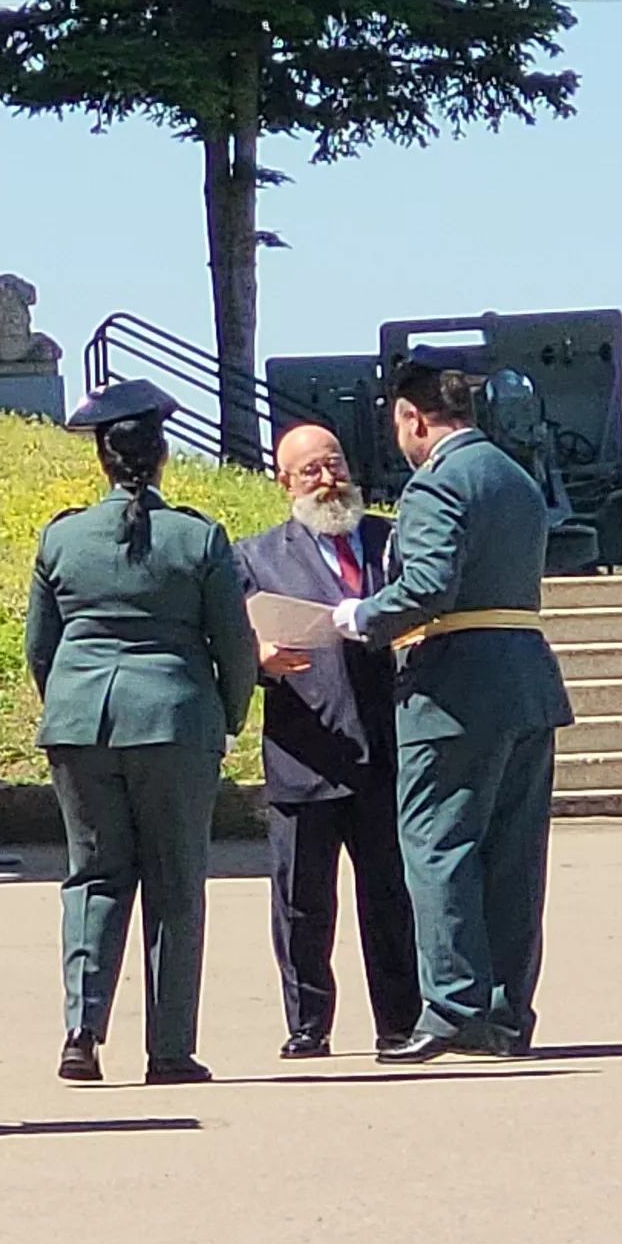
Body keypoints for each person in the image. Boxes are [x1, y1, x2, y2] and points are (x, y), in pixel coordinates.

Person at [329, 349, 575, 1062]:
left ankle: (454, 1004)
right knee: (514, 858)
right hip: (525, 680)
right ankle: (505, 1011)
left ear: (412, 417)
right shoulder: (514, 477)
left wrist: (362, 615)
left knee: (438, 845)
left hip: (453, 685)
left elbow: (430, 583)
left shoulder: (437, 484)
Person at [27, 378, 256, 1088]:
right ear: (161, 456)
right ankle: (169, 1047)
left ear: (102, 459)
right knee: (176, 882)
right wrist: (227, 712)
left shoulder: (61, 536)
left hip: (79, 721)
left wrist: (68, 703)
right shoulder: (198, 536)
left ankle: (81, 1029)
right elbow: (235, 644)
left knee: (93, 874)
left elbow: (41, 646)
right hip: (174, 718)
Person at [236, 422, 422, 1059]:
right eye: (311, 470)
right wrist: (258, 657)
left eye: (335, 464)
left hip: (384, 746)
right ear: (284, 481)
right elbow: (232, 644)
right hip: (304, 750)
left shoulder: (389, 540)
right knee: (302, 904)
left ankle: (400, 1022)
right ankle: (307, 1025)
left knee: (391, 897)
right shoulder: (255, 558)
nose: (328, 479)